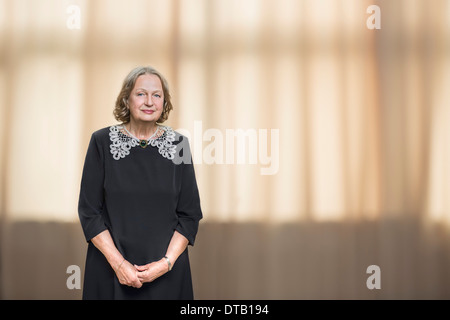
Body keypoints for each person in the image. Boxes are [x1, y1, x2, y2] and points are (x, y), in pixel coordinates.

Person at [78, 66, 203, 299]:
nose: (149, 101)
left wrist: (165, 264)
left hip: (166, 273)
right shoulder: (101, 142)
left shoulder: (179, 145)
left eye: (157, 95)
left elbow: (189, 215)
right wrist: (119, 265)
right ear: (126, 99)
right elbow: (89, 213)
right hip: (110, 270)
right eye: (141, 94)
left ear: (164, 103)